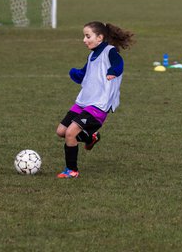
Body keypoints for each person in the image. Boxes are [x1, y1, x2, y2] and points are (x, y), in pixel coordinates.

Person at [56, 21, 135, 178]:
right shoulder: (92, 54)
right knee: (61, 132)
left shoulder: (110, 52)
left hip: (98, 105)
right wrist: (77, 74)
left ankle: (72, 170)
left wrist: (113, 71)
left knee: (71, 134)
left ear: (100, 37)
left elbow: (119, 63)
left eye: (87, 36)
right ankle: (90, 137)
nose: (84, 40)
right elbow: (86, 72)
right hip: (83, 101)